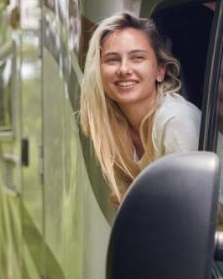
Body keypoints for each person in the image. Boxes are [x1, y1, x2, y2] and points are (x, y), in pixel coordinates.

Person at [79, 12, 199, 206]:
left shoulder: (175, 120)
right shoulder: (115, 127)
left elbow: (188, 207)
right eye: (112, 60)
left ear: (160, 71)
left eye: (137, 58)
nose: (124, 69)